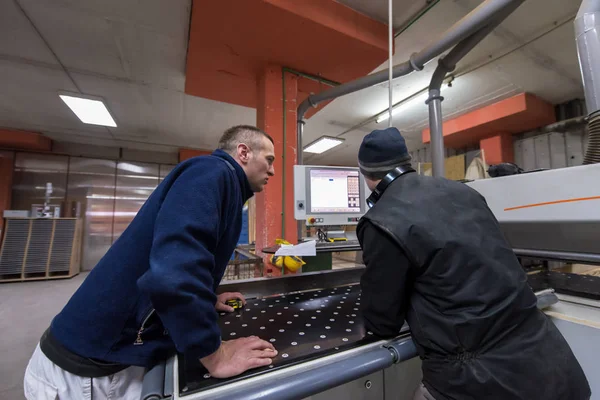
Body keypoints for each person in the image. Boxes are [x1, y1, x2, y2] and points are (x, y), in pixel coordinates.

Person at [24, 125, 278, 400]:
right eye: (269, 160)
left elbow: (183, 256)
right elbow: (173, 271)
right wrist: (214, 354)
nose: (273, 171)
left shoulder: (227, 188)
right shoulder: (211, 172)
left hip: (108, 362)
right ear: (243, 152)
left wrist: (205, 297)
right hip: (87, 374)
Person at [356, 127, 591, 400]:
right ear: (407, 162)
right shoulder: (465, 193)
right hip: (551, 363)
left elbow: (382, 322)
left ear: (366, 176)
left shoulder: (381, 220)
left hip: (475, 378)